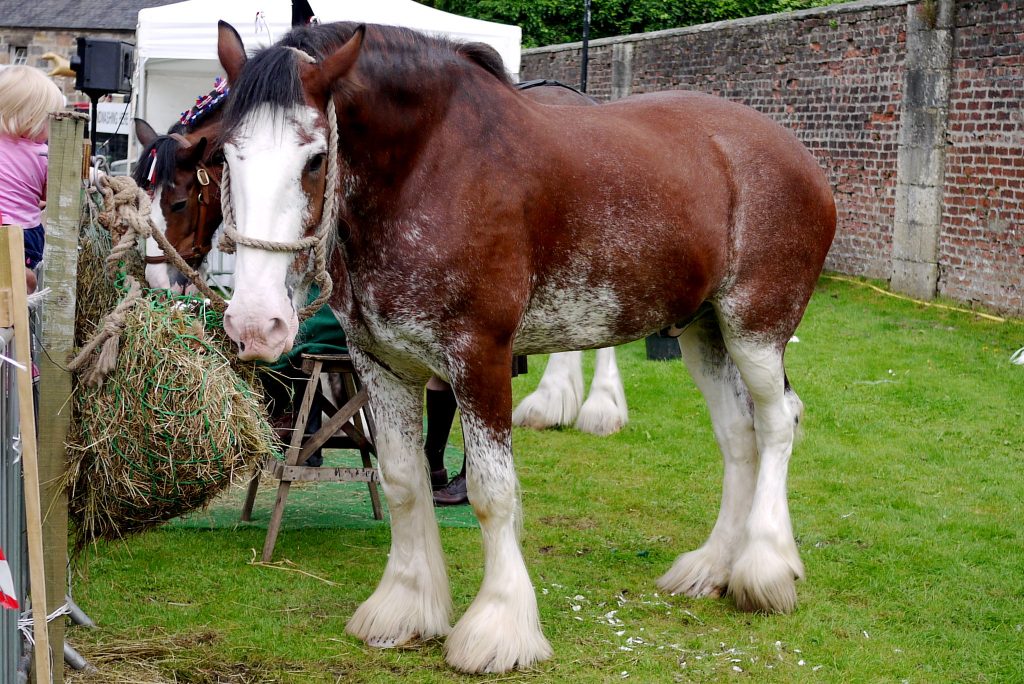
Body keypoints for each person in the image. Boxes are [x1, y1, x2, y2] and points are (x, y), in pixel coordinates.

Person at [0, 65, 65, 293]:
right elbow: (50, 192)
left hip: (2, 223)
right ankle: (25, 281)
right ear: (31, 119)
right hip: (24, 232)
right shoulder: (42, 155)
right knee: (17, 286)